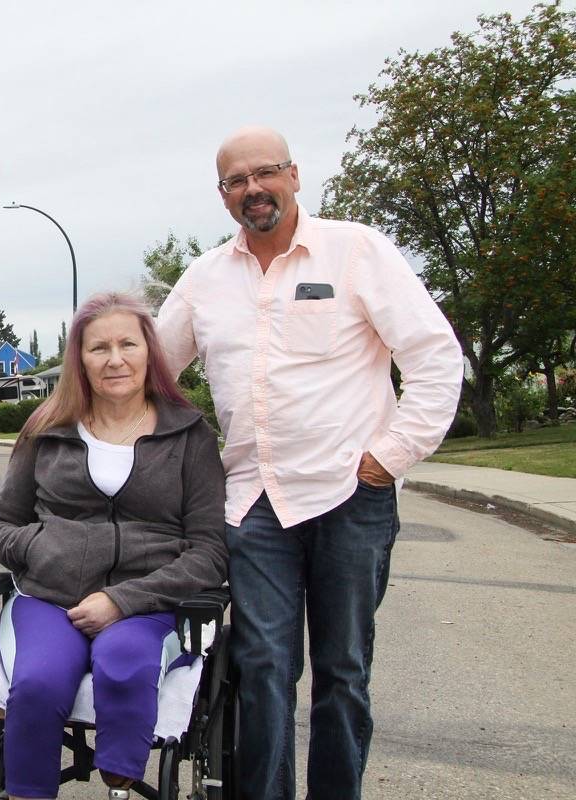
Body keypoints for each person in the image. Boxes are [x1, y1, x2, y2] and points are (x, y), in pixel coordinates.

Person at [157, 126, 463, 800]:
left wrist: (390, 456)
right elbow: (150, 373)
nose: (253, 189)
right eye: (237, 180)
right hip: (253, 504)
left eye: (265, 173)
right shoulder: (205, 280)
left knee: (343, 669)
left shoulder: (356, 252)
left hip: (350, 497)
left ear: (294, 176)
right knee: (261, 663)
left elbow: (436, 358)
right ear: (222, 194)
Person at [0, 291, 227, 800]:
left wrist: (122, 601)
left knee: (124, 668)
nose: (115, 359)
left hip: (147, 603)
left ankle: (119, 778)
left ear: (149, 352)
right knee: (38, 683)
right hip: (50, 598)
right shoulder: (46, 430)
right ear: (80, 360)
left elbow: (208, 550)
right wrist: (45, 547)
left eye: (127, 345)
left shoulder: (189, 435)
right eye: (98, 348)